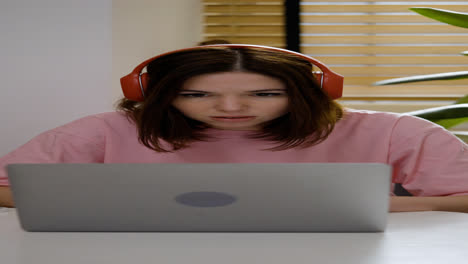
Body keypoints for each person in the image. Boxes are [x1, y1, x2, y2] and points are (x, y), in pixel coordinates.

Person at [0, 44, 467, 212]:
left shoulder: (394, 130)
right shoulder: (107, 129)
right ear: (156, 95)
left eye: (264, 94)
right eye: (197, 94)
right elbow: (5, 187)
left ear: (310, 93)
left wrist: (377, 207)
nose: (230, 108)